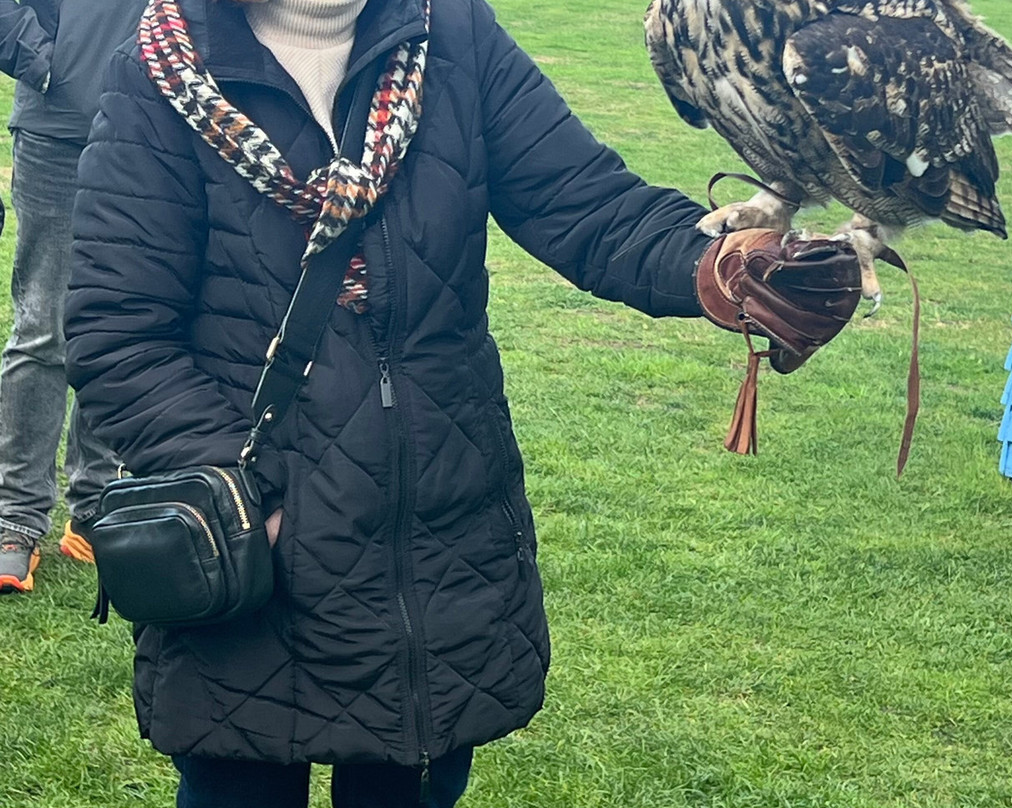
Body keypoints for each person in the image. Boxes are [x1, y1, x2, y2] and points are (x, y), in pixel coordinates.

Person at [64, 0, 855, 805]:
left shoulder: (450, 34)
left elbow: (585, 203)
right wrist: (258, 509)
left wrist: (716, 267)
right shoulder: (162, 69)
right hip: (253, 557)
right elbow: (116, 332)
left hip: (435, 540)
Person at [0, 0, 140, 593]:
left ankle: (96, 503)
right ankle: (15, 519)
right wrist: (45, 62)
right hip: (58, 129)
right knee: (42, 329)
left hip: (148, 132)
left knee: (123, 322)